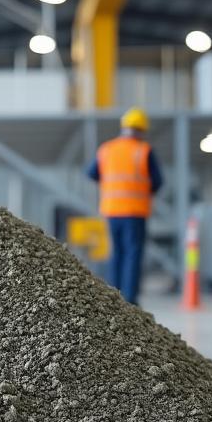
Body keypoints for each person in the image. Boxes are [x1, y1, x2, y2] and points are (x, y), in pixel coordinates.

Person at [85, 107, 163, 305]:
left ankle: (114, 296)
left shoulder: (107, 149)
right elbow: (158, 181)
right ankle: (130, 299)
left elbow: (91, 173)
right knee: (133, 254)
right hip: (135, 211)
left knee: (117, 252)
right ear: (142, 130)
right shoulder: (143, 151)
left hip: (112, 209)